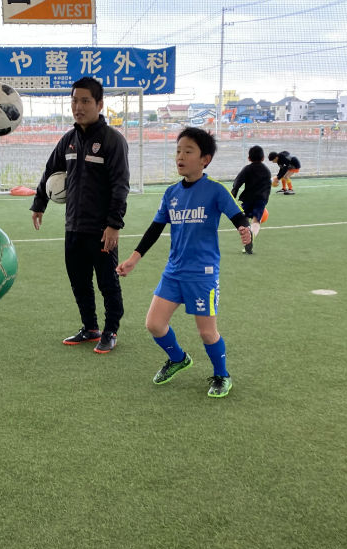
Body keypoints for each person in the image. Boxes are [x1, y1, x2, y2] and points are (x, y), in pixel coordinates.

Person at [116, 127, 251, 398]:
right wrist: (133, 259)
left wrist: (244, 228)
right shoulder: (171, 193)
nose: (180, 156)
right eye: (178, 151)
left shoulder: (215, 190)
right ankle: (178, 358)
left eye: (188, 151)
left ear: (205, 159)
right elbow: (155, 229)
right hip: (174, 272)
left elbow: (238, 216)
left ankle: (222, 375)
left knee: (207, 333)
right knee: (154, 324)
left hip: (202, 274)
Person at [31, 76, 130, 354]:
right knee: (79, 281)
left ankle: (110, 331)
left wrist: (114, 224)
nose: (78, 107)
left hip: (101, 229)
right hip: (73, 226)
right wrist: (39, 203)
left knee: (107, 283)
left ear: (99, 104)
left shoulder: (112, 141)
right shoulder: (69, 140)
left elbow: (120, 186)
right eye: (74, 101)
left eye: (85, 101)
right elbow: (51, 170)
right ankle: (90, 327)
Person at [230, 145, 272, 254]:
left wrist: (233, 194)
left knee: (242, 218)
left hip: (248, 199)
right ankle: (251, 237)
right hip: (261, 200)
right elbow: (268, 187)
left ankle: (247, 236)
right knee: (256, 221)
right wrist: (264, 200)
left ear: (249, 158)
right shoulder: (267, 171)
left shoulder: (247, 169)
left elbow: (237, 182)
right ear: (263, 158)